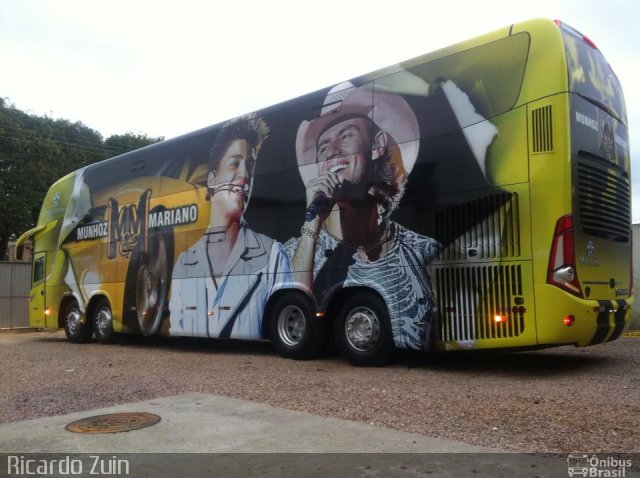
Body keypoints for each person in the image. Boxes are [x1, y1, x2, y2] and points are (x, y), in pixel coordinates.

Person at [285, 82, 441, 350]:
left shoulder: (424, 250)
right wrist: (312, 223)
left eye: (345, 136)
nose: (332, 150)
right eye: (323, 147)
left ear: (378, 145)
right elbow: (299, 299)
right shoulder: (294, 252)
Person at [169, 114, 291, 340]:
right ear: (212, 179)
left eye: (250, 166)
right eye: (235, 163)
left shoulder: (273, 256)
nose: (245, 174)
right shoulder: (184, 264)